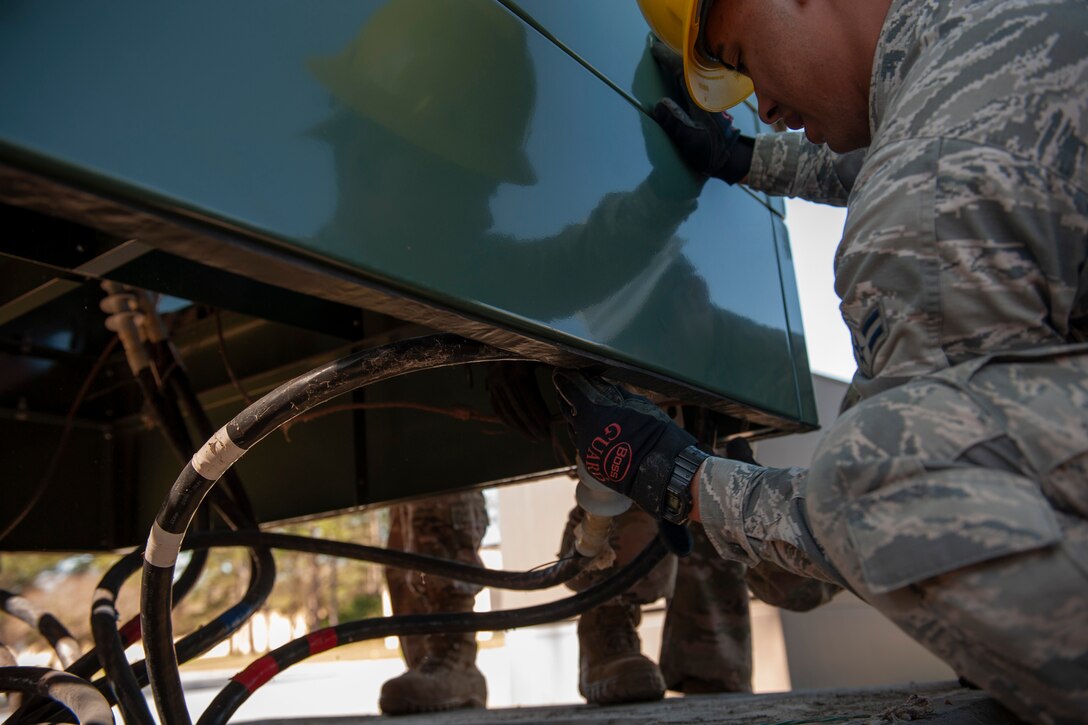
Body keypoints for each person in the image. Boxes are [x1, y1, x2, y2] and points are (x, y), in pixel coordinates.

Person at [555, 0, 1088, 723]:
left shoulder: (923, 200)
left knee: (870, 468)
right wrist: (743, 157)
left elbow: (884, 498)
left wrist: (682, 476)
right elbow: (905, 137)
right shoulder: (989, 29)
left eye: (741, 57)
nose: (763, 107)